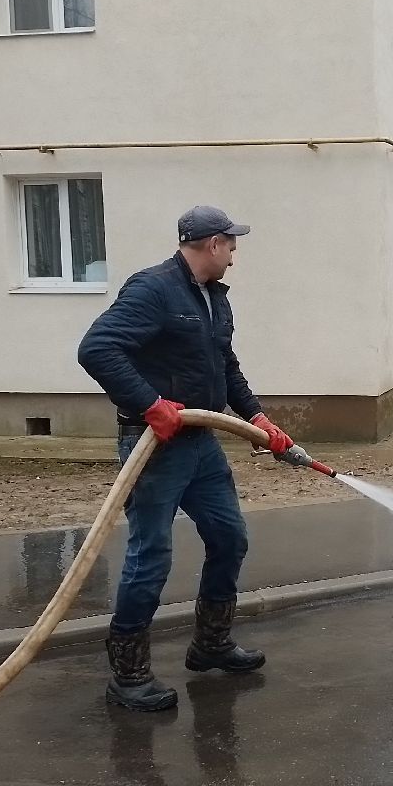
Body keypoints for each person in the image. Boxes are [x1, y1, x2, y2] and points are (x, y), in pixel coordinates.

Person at [78, 205, 298, 712]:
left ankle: (211, 644)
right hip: (154, 449)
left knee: (229, 537)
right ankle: (128, 675)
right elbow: (97, 348)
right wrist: (149, 405)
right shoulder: (153, 289)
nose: (234, 259)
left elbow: (225, 363)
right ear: (211, 244)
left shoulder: (214, 299)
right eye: (232, 247)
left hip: (202, 443)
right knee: (151, 556)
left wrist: (256, 418)